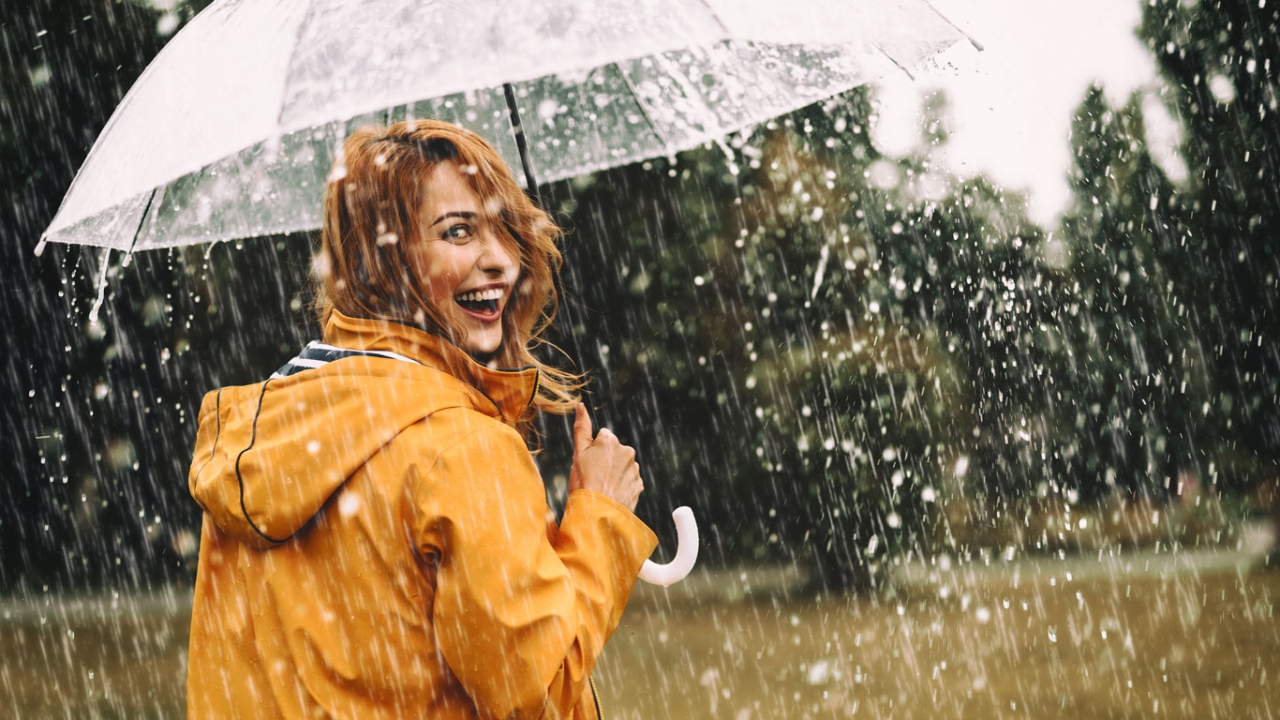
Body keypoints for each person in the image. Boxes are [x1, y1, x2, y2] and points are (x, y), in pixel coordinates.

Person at [185, 119, 657, 719]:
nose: (502, 263)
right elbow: (536, 692)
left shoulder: (266, 433)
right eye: (458, 232)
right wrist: (602, 523)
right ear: (384, 261)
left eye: (506, 230)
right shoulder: (459, 450)